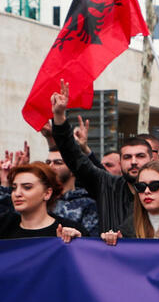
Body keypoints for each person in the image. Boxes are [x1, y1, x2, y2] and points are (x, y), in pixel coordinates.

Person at [50, 80, 153, 231]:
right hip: (110, 255)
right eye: (127, 157)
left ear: (152, 159)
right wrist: (59, 116)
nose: (133, 162)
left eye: (140, 156)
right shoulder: (106, 185)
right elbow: (74, 157)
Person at [0, 162, 83, 241]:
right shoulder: (4, 226)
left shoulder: (69, 230)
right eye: (14, 188)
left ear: (47, 193)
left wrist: (75, 244)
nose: (17, 193)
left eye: (27, 187)